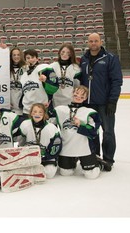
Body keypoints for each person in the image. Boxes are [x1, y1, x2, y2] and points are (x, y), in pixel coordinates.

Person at [79, 32, 123, 170]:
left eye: (96, 41)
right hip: (88, 104)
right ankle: (95, 156)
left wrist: (113, 101)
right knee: (92, 132)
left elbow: (116, 81)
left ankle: (108, 159)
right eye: (91, 41)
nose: (93, 43)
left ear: (101, 42)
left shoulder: (110, 58)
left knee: (108, 131)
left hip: (105, 103)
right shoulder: (83, 59)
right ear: (87, 42)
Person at [54, 86, 104, 179]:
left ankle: (98, 162)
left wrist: (81, 125)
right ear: (72, 93)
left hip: (84, 148)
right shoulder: (59, 110)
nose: (78, 96)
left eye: (82, 95)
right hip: (66, 148)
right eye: (76, 93)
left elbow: (94, 132)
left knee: (91, 175)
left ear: (85, 98)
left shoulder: (90, 112)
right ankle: (73, 159)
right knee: (65, 172)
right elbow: (47, 123)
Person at [18, 103, 62, 179]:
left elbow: (56, 145)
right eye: (34, 111)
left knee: (49, 174)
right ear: (31, 113)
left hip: (46, 156)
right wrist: (22, 154)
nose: (37, 114)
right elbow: (21, 141)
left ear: (44, 114)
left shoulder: (51, 128)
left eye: (40, 112)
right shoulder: (25, 124)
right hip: (31, 155)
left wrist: (46, 156)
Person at [20, 49, 59, 117]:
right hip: (27, 111)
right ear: (25, 60)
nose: (30, 60)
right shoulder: (23, 76)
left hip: (42, 109)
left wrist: (46, 81)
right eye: (28, 58)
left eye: (32, 57)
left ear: (37, 59)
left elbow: (55, 87)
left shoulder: (45, 68)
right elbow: (24, 93)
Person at [51, 43, 81, 107]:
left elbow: (77, 86)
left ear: (71, 54)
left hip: (70, 101)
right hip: (55, 101)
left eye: (68, 53)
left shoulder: (75, 68)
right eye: (63, 52)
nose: (65, 54)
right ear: (59, 52)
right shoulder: (52, 66)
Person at [9, 47, 27, 115]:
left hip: (23, 104)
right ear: (11, 56)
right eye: (14, 55)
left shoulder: (26, 68)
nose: (16, 56)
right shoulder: (7, 68)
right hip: (11, 105)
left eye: (18, 54)